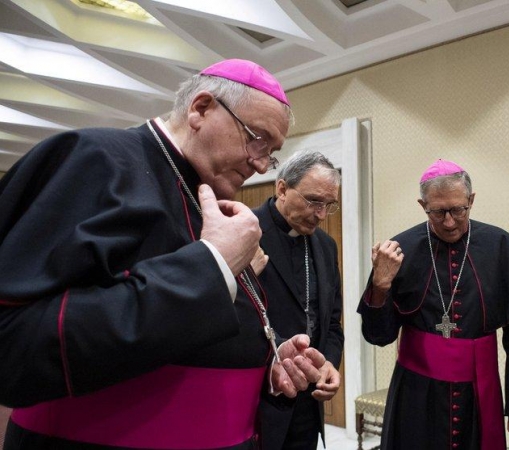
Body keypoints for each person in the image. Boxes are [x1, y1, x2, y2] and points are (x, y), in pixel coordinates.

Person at [0, 59, 328, 450]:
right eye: (257, 138)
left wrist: (269, 364)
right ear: (201, 109)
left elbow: (183, 343)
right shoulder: (95, 159)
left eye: (271, 153)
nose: (260, 165)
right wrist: (213, 264)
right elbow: (13, 342)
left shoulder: (208, 198)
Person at [357, 159, 509, 450]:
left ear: (471, 200)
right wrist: (380, 285)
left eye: (458, 210)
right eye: (438, 212)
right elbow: (378, 337)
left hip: (480, 390)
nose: (449, 221)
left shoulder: (500, 244)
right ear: (422, 204)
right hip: (416, 392)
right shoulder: (400, 249)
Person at [252, 150, 344, 450]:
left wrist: (329, 362)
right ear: (282, 188)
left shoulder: (325, 245)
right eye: (314, 201)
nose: (320, 214)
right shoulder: (245, 231)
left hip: (307, 402)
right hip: (256, 399)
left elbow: (331, 320)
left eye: (328, 205)